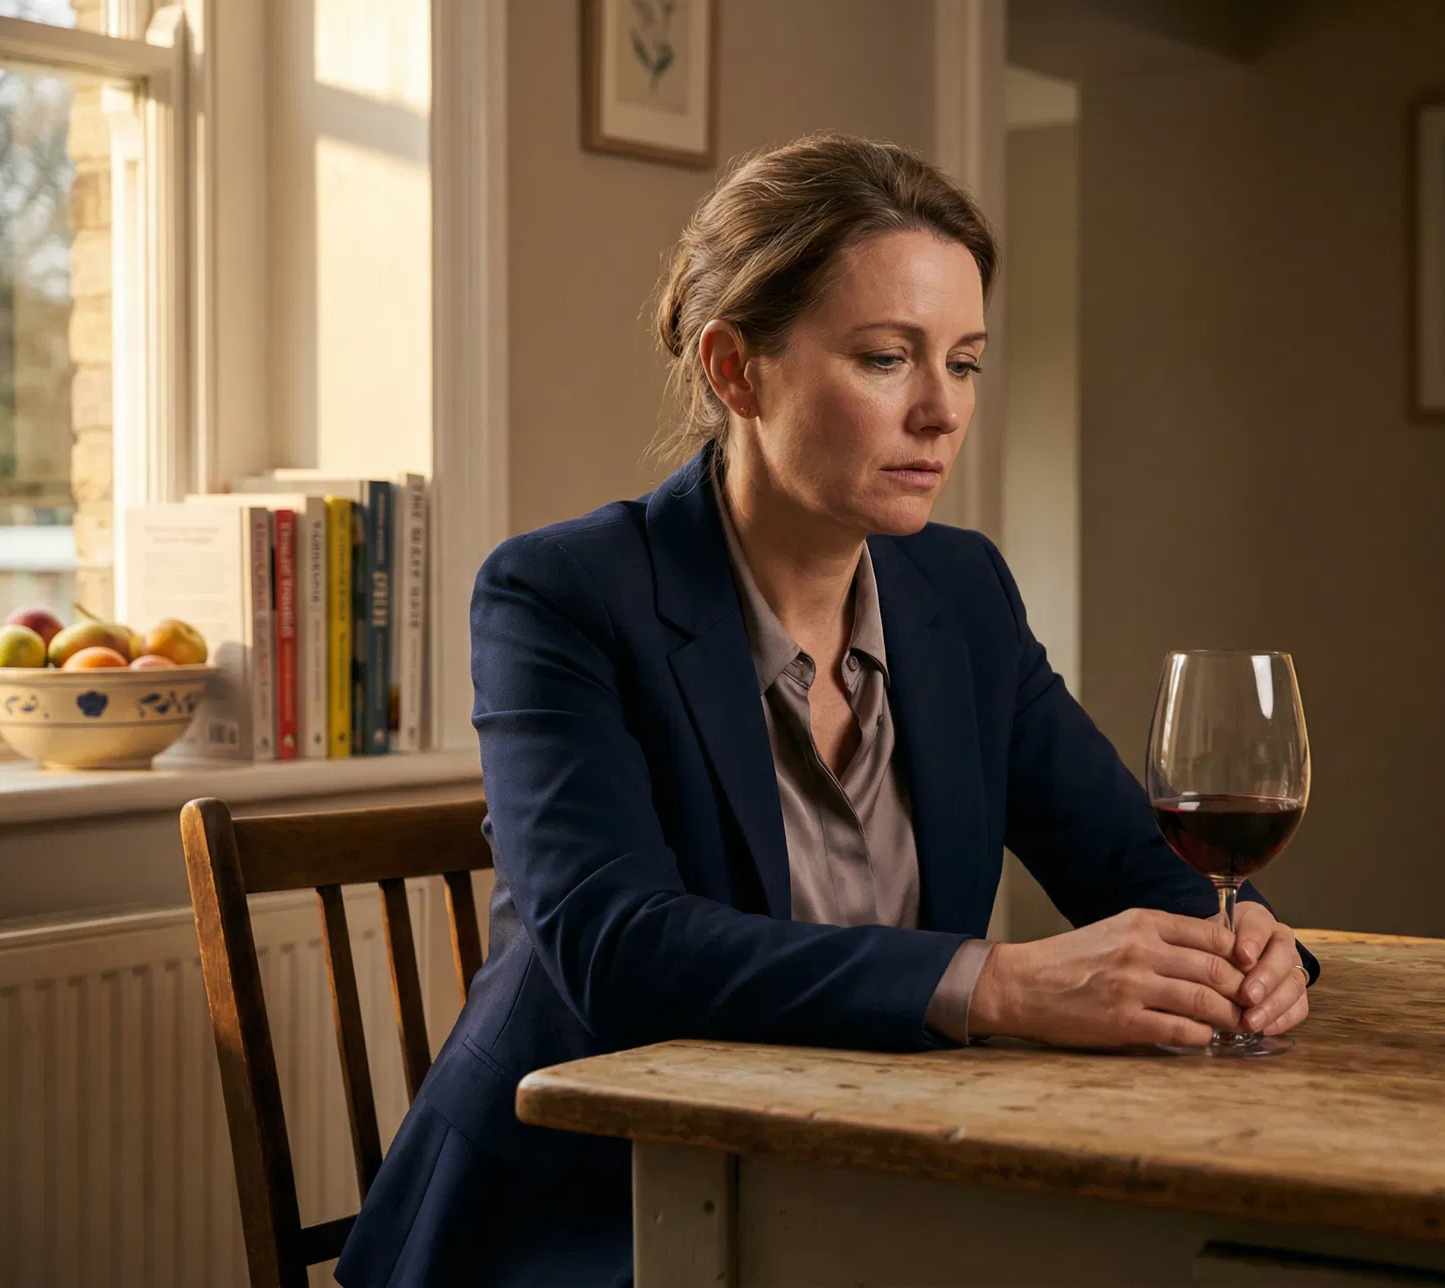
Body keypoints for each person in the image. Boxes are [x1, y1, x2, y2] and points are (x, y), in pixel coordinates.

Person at [337, 131, 1317, 1288]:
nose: (942, 413)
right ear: (735, 370)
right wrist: (994, 983)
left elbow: (1129, 857)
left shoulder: (964, 592)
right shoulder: (562, 594)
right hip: (590, 1219)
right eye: (886, 358)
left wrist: (1247, 940)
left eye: (964, 363)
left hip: (874, 1195)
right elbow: (617, 947)